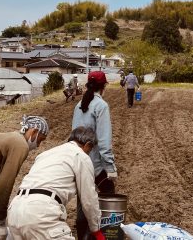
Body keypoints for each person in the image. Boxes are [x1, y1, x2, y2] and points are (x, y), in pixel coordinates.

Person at [7, 126, 105, 240]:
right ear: (87, 144)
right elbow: (89, 198)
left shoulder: (46, 154)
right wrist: (96, 229)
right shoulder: (80, 156)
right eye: (90, 150)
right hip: (41, 214)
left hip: (15, 211)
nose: (89, 153)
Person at [72, 71, 117, 240]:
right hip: (95, 164)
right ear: (103, 86)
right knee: (109, 197)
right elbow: (104, 142)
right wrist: (110, 168)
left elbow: (74, 133)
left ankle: (82, 236)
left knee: (82, 201)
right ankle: (105, 234)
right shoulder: (101, 106)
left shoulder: (79, 105)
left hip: (79, 160)